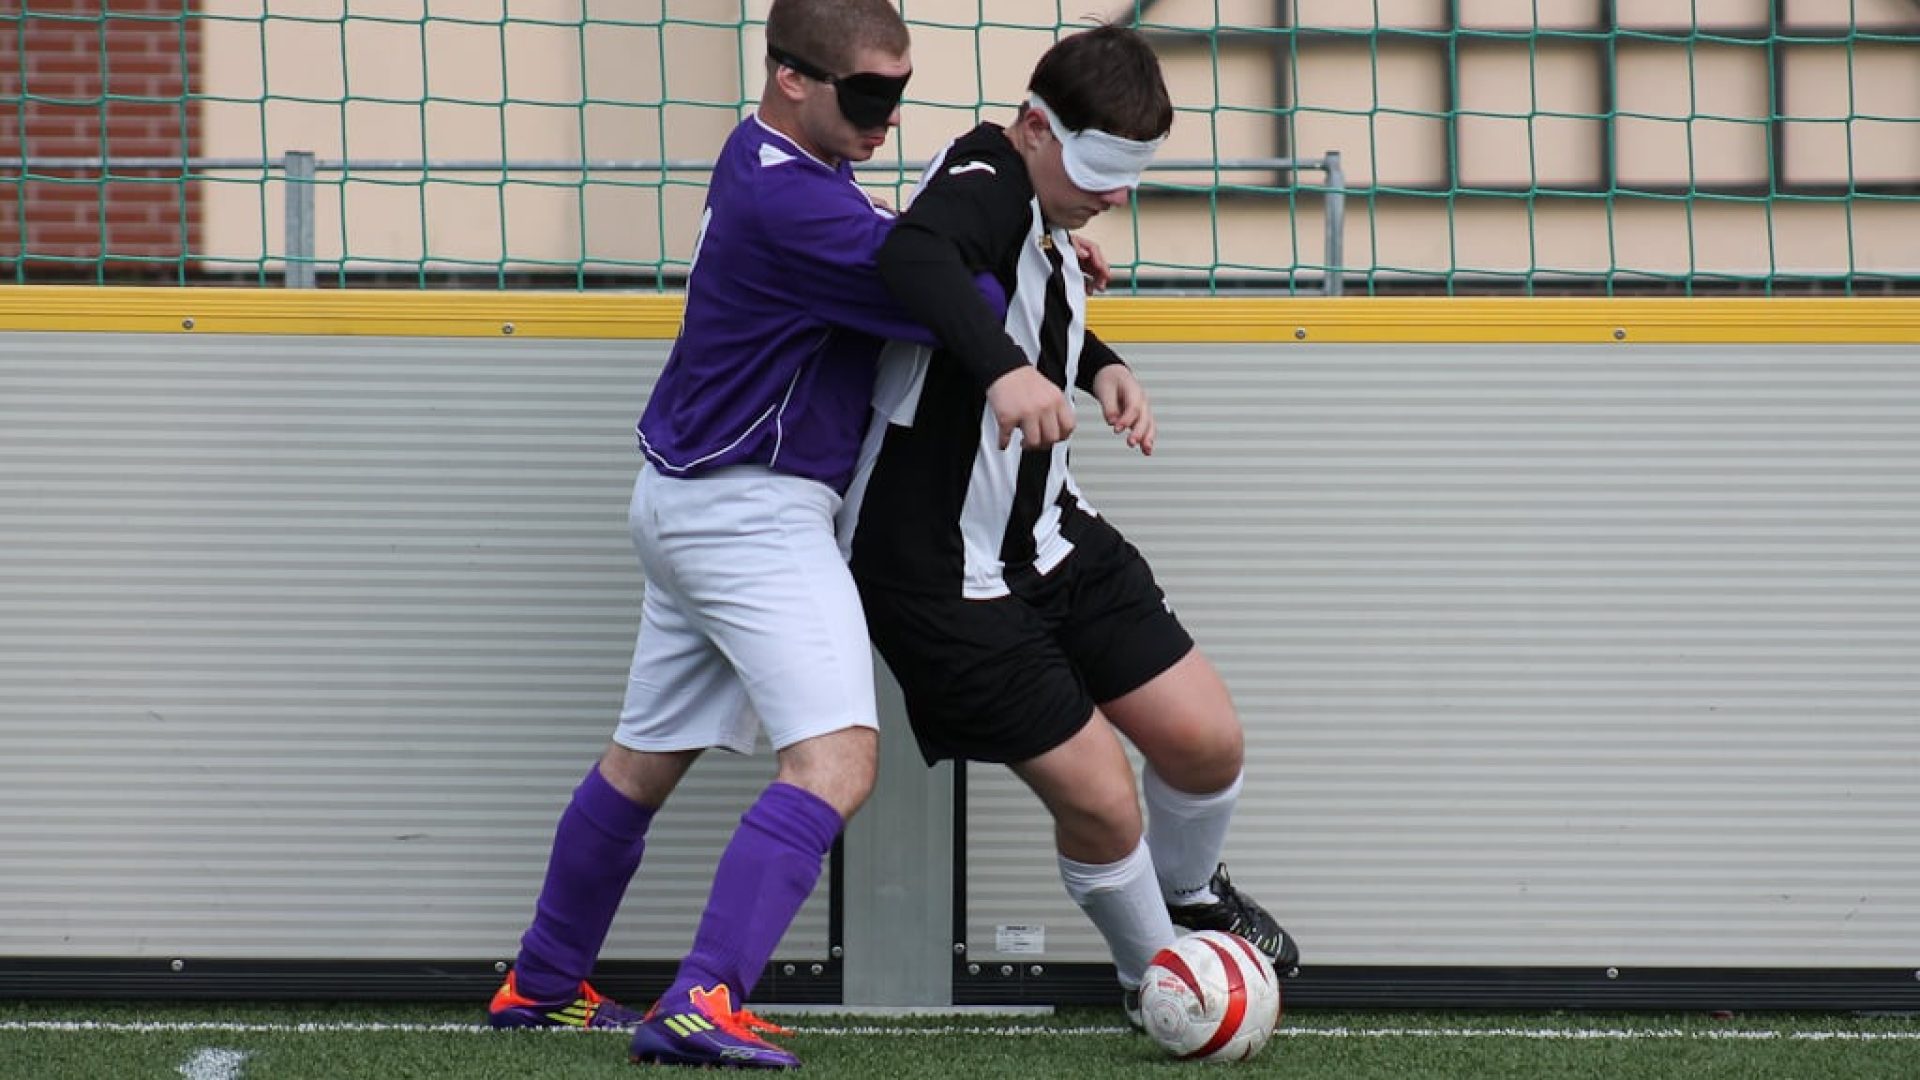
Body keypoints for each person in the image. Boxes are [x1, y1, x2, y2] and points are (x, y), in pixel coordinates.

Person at [484, 0, 987, 1069]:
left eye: (899, 93)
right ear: (792, 78)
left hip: (687, 502)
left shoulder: (772, 159)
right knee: (842, 761)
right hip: (749, 515)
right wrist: (1021, 258)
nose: (887, 118)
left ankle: (540, 982)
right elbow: (950, 294)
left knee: (642, 761)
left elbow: (902, 253)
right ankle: (702, 999)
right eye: (868, 94)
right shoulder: (798, 204)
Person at [840, 23, 1300, 1026]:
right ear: (1036, 128)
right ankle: (1165, 985)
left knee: (1205, 741)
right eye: (1098, 167)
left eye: (1130, 173)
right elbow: (914, 257)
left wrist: (1099, 363)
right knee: (1100, 794)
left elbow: (1023, 297)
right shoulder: (986, 181)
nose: (1112, 193)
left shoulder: (1038, 204)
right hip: (941, 569)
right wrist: (1007, 374)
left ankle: (1189, 894)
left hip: (1049, 532)